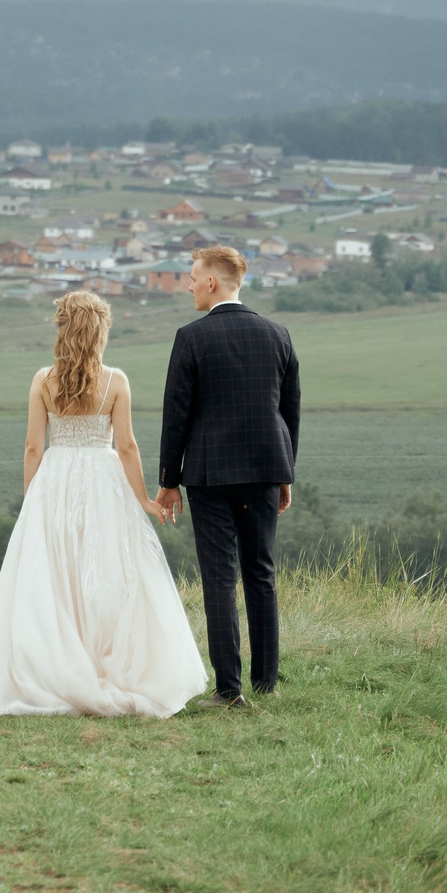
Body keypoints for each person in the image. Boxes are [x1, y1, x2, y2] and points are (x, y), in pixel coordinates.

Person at [0, 291, 209, 717]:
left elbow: (31, 447)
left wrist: (32, 500)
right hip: (103, 479)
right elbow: (129, 446)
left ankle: (52, 668)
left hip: (55, 481)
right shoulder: (116, 380)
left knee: (54, 574)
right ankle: (105, 660)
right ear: (100, 332)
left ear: (63, 330)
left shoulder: (43, 379)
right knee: (107, 570)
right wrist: (143, 499)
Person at [155, 245, 300, 707]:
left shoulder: (191, 338)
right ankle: (267, 682)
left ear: (213, 283)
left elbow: (175, 414)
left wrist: (167, 479)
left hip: (209, 472)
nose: (191, 284)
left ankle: (229, 690)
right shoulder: (278, 335)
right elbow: (288, 411)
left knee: (220, 576)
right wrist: (286, 473)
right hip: (265, 467)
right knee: (261, 571)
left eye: (194, 277)